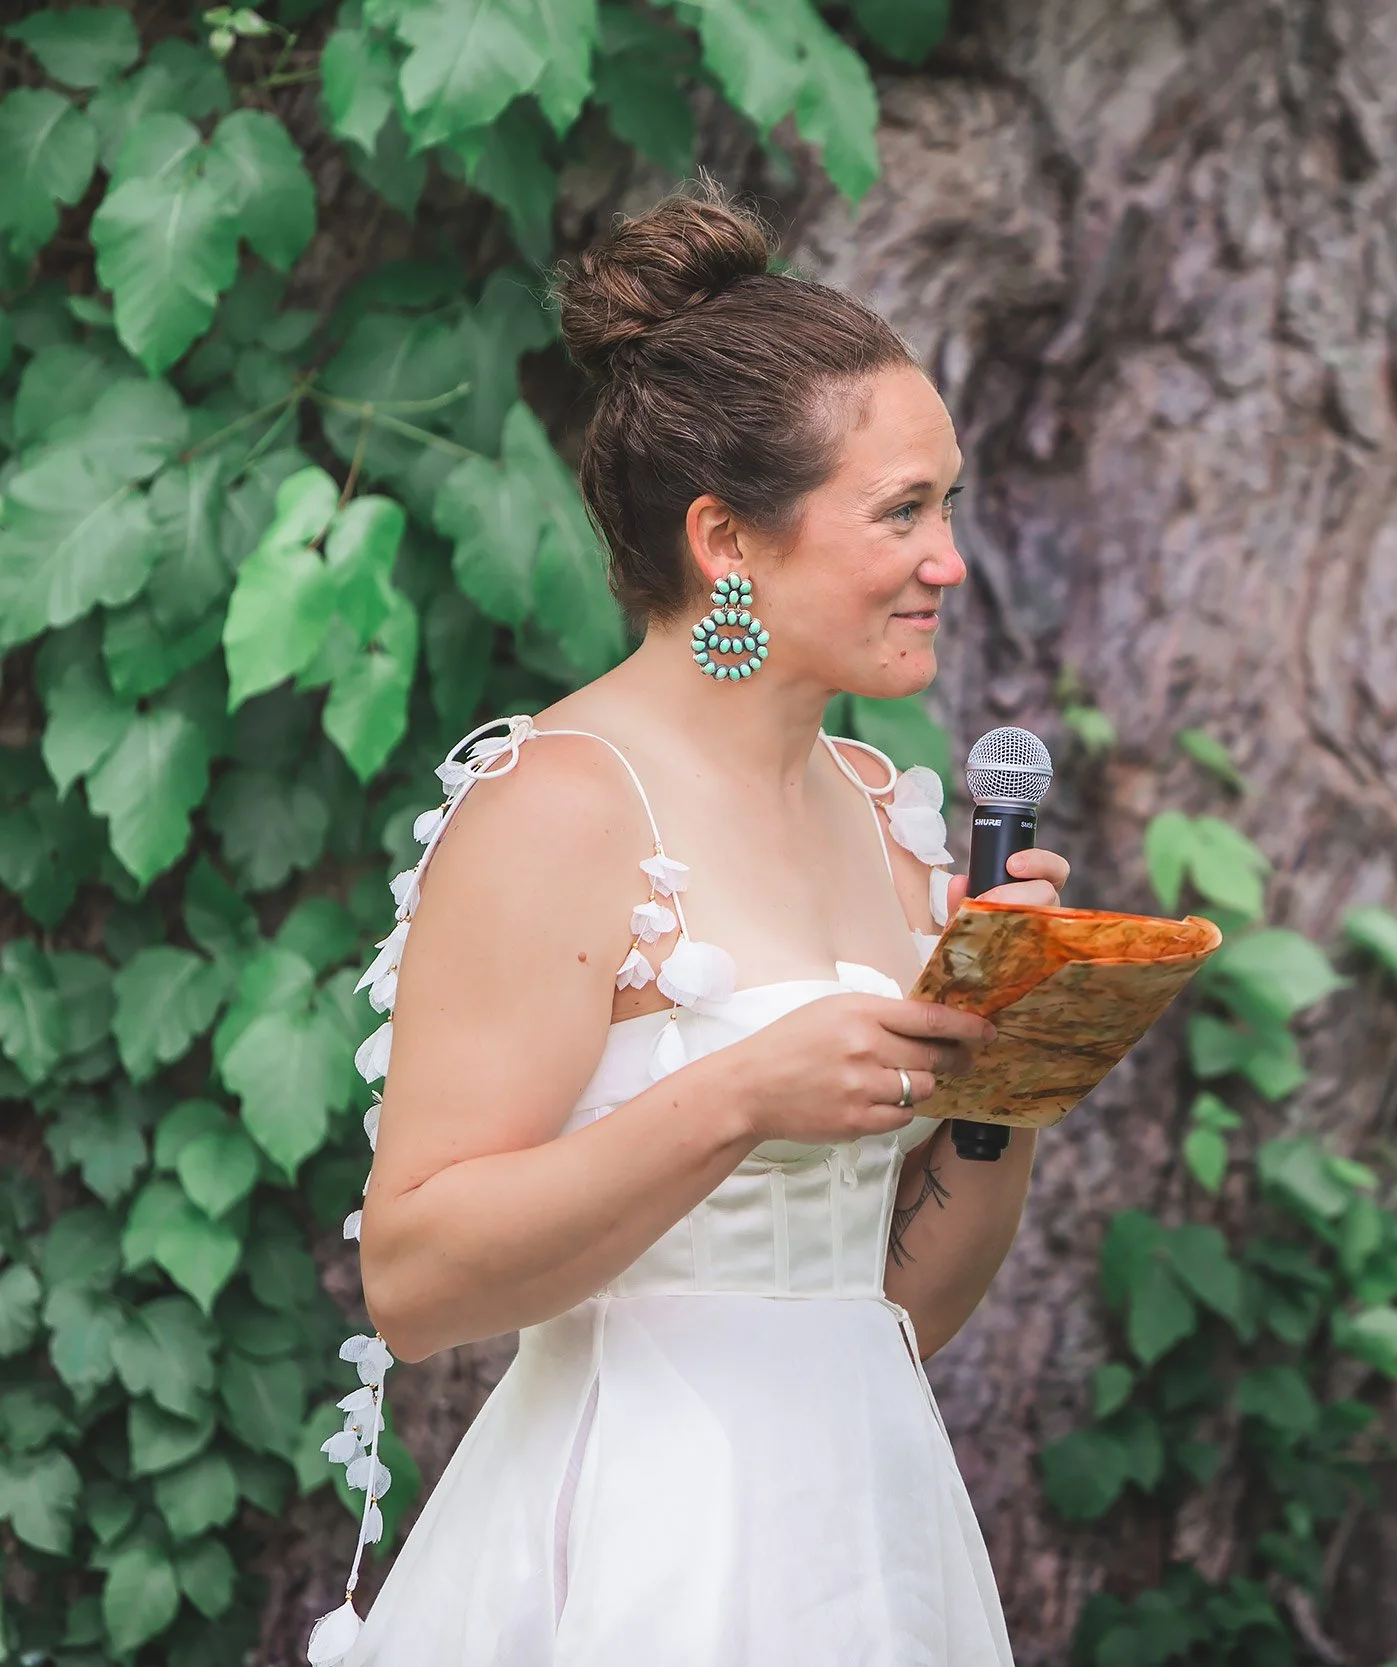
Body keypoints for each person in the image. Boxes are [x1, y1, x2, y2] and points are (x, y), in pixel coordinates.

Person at [314, 186, 1064, 1665]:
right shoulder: (560, 809)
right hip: (640, 1539)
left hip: (870, 1524)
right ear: (728, 540)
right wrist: (738, 1097)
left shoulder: (890, 814)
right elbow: (413, 1282)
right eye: (901, 510)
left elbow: (904, 1300)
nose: (949, 561)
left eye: (948, 503)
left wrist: (1013, 1062)